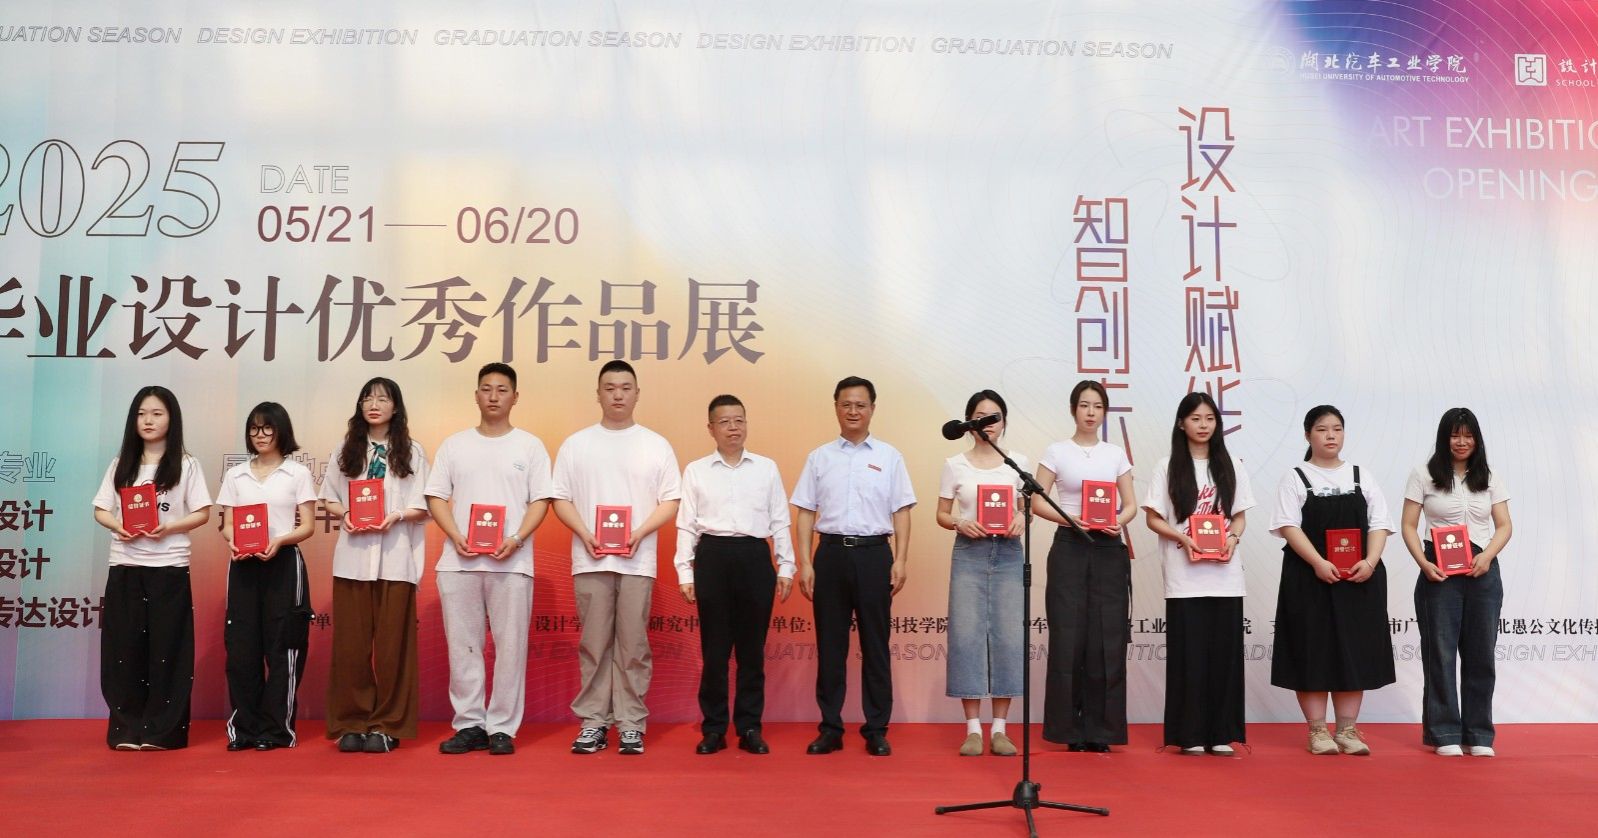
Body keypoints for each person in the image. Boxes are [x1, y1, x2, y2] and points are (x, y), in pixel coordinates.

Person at [552, 360, 681, 756]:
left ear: (637, 393)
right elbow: (560, 498)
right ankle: (593, 722)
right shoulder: (577, 444)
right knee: (593, 644)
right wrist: (585, 533)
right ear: (598, 394)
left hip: (637, 560)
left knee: (633, 645)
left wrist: (640, 532)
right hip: (590, 558)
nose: (618, 395)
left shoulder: (655, 444)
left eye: (625, 387)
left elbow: (670, 500)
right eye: (610, 388)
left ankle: (630, 723)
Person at [425, 362, 552, 756]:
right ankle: (469, 724)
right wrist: (455, 535)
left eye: (502, 389)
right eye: (486, 388)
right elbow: (435, 496)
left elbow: (541, 500)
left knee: (510, 647)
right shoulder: (455, 445)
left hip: (511, 562)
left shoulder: (529, 446)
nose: (493, 396)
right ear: (476, 395)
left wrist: (516, 538)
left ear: (515, 397)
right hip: (459, 562)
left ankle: (501, 727)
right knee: (463, 646)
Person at [792, 375, 915, 757]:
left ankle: (876, 728)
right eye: (846, 404)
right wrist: (805, 562)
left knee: (876, 646)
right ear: (836, 407)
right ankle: (830, 728)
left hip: (875, 554)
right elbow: (805, 511)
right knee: (831, 646)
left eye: (860, 405)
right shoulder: (820, 457)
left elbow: (902, 511)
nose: (853, 411)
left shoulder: (890, 456)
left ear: (872, 409)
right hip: (829, 555)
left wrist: (901, 559)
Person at [1268, 405, 1396, 756]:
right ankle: (1317, 731)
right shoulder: (1295, 477)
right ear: (1307, 435)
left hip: (1359, 578)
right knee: (1312, 650)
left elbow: (1380, 523)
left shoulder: (1361, 475)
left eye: (1337, 429)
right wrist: (1318, 562)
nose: (1330, 435)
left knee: (1354, 650)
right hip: (1309, 578)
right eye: (1322, 429)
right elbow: (1288, 526)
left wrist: (1370, 561)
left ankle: (1347, 730)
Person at [92, 386, 212, 751]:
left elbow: (202, 513)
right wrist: (118, 526)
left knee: (168, 649)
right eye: (142, 414)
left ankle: (163, 732)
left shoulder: (186, 464)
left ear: (171, 419)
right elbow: (101, 509)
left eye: (157, 413)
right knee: (124, 648)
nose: (148, 420)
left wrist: (169, 527)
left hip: (169, 566)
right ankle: (126, 729)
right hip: (125, 564)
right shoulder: (121, 464)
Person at [675, 394, 795, 756]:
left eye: (739, 420)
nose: (733, 428)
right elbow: (686, 524)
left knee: (751, 651)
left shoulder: (766, 468)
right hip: (712, 556)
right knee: (714, 651)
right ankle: (713, 728)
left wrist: (786, 566)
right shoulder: (696, 470)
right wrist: (685, 571)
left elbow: (780, 519)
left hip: (754, 556)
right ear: (711, 428)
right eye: (725, 422)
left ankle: (749, 727)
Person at [320, 377, 430, 753]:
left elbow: (423, 505)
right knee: (350, 647)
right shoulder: (346, 449)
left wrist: (397, 515)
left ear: (395, 407)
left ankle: (387, 724)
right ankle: (351, 721)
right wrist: (346, 513)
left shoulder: (412, 451)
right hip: (352, 560)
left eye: (382, 399)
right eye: (367, 398)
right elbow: (328, 497)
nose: (374, 404)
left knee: (392, 647)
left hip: (396, 559)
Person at [1142, 392, 1255, 755]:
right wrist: (1183, 537)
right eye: (1195, 418)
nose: (1203, 425)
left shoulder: (1231, 465)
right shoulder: (1167, 466)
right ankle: (1189, 735)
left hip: (1225, 576)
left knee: (1224, 657)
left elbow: (1239, 516)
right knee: (1188, 657)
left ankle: (1221, 734)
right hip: (1184, 576)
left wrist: (1233, 538)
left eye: (1209, 419)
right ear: (1181, 424)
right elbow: (1153, 518)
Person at [1401, 407, 1511, 757]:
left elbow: (1504, 525)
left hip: (1482, 568)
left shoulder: (1488, 476)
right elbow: (1408, 525)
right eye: (1454, 435)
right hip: (1439, 568)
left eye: (1468, 435)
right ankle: (1444, 732)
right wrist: (1424, 563)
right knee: (1441, 653)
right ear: (1443, 438)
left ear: (1476, 439)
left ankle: (1478, 734)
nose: (1461, 442)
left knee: (1482, 654)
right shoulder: (1423, 474)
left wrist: (1487, 556)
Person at [1033, 380, 1136, 753]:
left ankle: (1101, 731)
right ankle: (1069, 730)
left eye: (1098, 406)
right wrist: (1069, 518)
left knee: (1107, 639)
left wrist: (1117, 521)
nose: (1091, 412)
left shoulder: (1115, 454)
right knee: (1068, 637)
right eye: (1084, 405)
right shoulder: (1057, 451)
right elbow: (1037, 501)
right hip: (1070, 546)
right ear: (1073, 409)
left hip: (1108, 548)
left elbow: (1131, 504)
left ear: (1105, 412)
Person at [217, 402, 318, 751]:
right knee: (241, 649)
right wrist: (234, 542)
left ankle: (276, 730)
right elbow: (227, 524)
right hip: (243, 565)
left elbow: (307, 526)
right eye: (254, 429)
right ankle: (244, 729)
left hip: (283, 563)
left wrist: (278, 541)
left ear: (281, 431)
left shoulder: (297, 473)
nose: (260, 435)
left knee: (282, 647)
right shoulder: (235, 475)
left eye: (267, 428)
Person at [937, 389, 1027, 757]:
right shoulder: (954, 464)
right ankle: (973, 729)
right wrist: (959, 522)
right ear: (968, 423)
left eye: (994, 417)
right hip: (969, 553)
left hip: (1008, 553)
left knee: (1008, 637)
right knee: (967, 635)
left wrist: (1021, 518)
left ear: (1003, 422)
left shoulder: (1016, 463)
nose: (987, 423)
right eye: (980, 417)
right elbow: (941, 513)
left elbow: (1026, 509)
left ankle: (1000, 729)